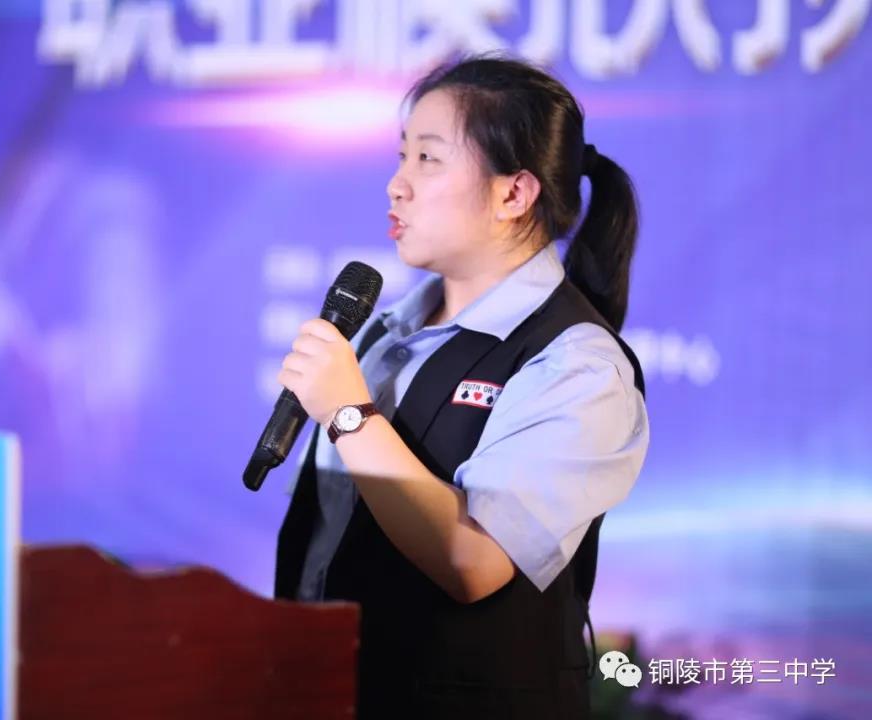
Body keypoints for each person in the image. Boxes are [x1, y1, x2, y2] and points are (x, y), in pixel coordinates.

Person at [274, 55, 649, 719]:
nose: (397, 185)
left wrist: (348, 412)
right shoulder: (388, 329)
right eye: (401, 156)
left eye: (428, 159)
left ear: (513, 194)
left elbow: (473, 560)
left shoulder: (578, 364)